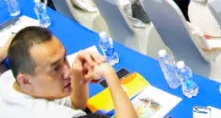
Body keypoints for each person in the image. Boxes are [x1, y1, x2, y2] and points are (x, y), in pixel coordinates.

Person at [0, 27, 137, 118]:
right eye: (55, 68)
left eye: (64, 59)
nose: (68, 72)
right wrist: (109, 74)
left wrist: (78, 72)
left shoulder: (9, 79)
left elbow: (76, 104)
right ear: (25, 80)